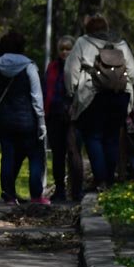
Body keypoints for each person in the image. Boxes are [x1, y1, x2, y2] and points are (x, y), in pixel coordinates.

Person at [64, 15, 134, 191]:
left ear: (88, 29)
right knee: (112, 138)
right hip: (119, 96)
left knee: (93, 137)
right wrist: (130, 90)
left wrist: (71, 92)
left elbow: (70, 70)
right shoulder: (120, 43)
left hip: (92, 95)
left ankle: (100, 180)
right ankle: (110, 180)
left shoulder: (83, 42)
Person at [0, 30, 47, 205]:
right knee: (35, 157)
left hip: (3, 121)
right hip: (27, 121)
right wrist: (41, 122)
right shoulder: (29, 66)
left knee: (8, 157)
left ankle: (9, 195)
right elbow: (37, 97)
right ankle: (36, 196)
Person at [44, 35, 83, 202]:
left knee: (74, 154)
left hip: (74, 117)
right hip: (55, 115)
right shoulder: (52, 67)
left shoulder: (80, 66)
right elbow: (46, 89)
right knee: (58, 155)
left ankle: (76, 191)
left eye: (68, 49)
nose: (65, 52)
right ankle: (60, 190)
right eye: (62, 49)